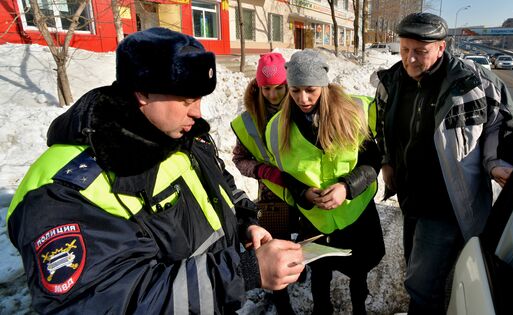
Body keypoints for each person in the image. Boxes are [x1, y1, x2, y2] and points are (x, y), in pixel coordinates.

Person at [6, 27, 304, 314]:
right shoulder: (65, 191)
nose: (197, 112)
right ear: (142, 93)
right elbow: (114, 301)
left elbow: (219, 184)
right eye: (187, 100)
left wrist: (244, 222)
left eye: (199, 98)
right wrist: (242, 273)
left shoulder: (180, 132)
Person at [374, 13, 513, 314]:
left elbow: (501, 123)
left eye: (420, 52)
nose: (410, 59)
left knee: (421, 286)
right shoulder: (392, 81)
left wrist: (494, 161)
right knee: (420, 267)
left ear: (441, 48)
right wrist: (387, 161)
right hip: (410, 197)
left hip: (446, 202)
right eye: (404, 50)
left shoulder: (470, 83)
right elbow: (381, 123)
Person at [265, 50, 385, 315]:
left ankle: (358, 306)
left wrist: (346, 187)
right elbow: (284, 175)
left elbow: (372, 162)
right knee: (320, 271)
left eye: (310, 90)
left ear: (323, 85)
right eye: (295, 91)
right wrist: (304, 193)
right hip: (315, 219)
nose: (303, 99)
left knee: (359, 268)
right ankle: (322, 309)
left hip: (356, 213)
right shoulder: (277, 128)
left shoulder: (352, 113)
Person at [230, 52, 296, 314]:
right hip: (271, 193)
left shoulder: (300, 105)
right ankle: (282, 301)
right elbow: (238, 159)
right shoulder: (249, 119)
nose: (273, 94)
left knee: (303, 239)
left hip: (304, 189)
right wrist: (263, 171)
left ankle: (298, 271)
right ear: (258, 86)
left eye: (279, 88)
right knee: (275, 244)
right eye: (266, 88)